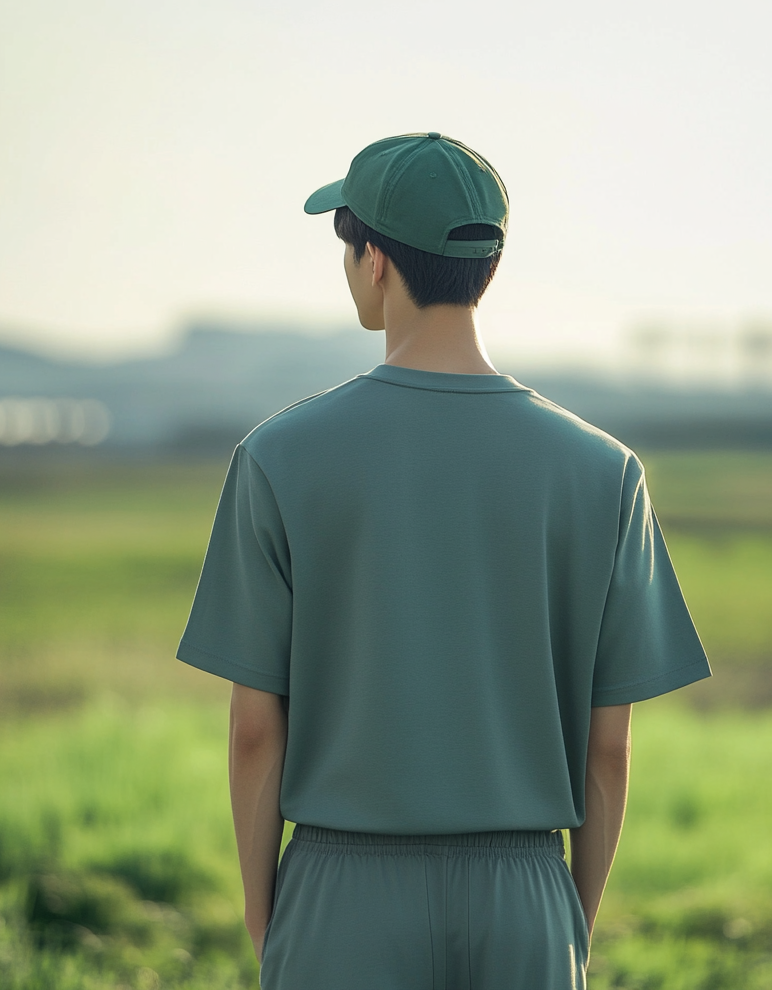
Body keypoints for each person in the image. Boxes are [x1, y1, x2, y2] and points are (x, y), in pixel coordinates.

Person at [176, 132, 711, 989]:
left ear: (376, 260)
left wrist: (263, 913)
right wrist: (565, 919)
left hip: (338, 894)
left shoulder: (278, 455)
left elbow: (252, 732)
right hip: (526, 895)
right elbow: (607, 751)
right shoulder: (605, 471)